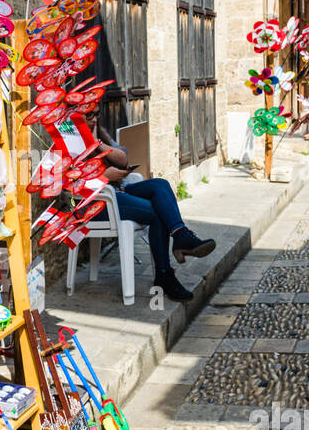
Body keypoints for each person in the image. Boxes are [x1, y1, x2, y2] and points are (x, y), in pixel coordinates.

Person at [85, 113, 215, 302]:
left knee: (160, 185)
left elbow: (123, 159)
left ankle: (180, 235)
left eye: (97, 114)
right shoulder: (69, 143)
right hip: (99, 201)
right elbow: (69, 184)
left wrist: (96, 142)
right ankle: (165, 273)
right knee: (158, 213)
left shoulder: (98, 136)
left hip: (119, 190)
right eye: (89, 115)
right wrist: (104, 177)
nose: (95, 119)